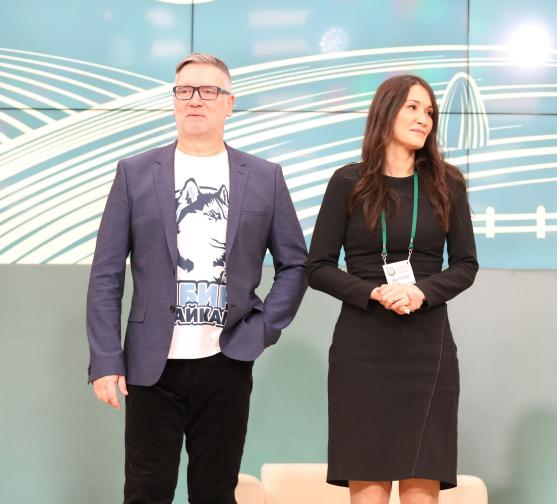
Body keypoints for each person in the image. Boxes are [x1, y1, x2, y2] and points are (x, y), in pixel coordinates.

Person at [86, 53, 309, 504]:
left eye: (209, 90)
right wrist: (106, 358)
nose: (195, 99)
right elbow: (106, 273)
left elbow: (295, 264)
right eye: (185, 90)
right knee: (146, 492)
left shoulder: (264, 177)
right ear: (174, 100)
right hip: (150, 364)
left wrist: (263, 329)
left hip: (227, 359)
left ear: (229, 103)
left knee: (215, 493)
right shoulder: (134, 173)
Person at [307, 74, 478, 504]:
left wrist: (421, 292)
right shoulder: (347, 182)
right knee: (369, 488)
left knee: (422, 486)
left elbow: (465, 265)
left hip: (427, 349)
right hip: (362, 350)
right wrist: (371, 292)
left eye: (430, 112)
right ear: (386, 112)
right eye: (413, 107)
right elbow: (318, 266)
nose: (424, 119)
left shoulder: (448, 183)